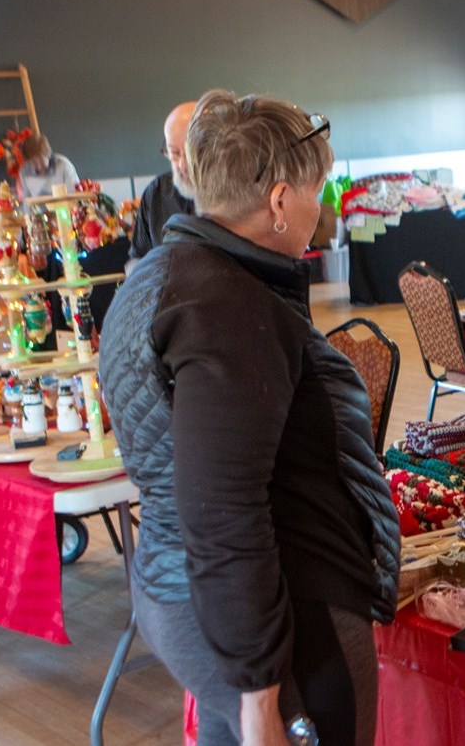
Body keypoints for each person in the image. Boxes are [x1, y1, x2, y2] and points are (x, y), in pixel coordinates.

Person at [100, 90, 394, 746]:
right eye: (317, 190)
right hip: (281, 612)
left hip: (195, 591)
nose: (321, 206)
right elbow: (223, 507)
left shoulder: (164, 274)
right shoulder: (226, 306)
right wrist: (260, 691)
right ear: (280, 201)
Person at [130, 101, 198, 264]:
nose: (182, 164)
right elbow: (138, 258)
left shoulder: (238, 194)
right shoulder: (156, 193)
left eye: (191, 153)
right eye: (174, 153)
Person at [18, 134, 80, 199]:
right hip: (38, 205)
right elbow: (27, 200)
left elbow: (75, 194)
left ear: (48, 154)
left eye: (41, 160)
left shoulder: (64, 165)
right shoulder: (24, 171)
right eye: (34, 162)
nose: (39, 166)